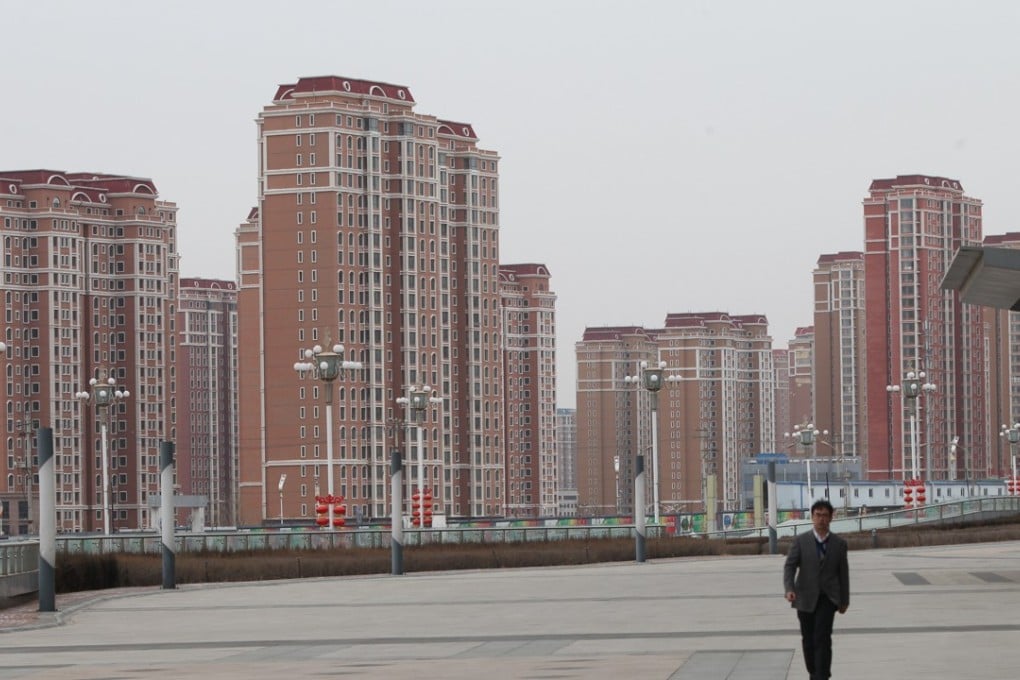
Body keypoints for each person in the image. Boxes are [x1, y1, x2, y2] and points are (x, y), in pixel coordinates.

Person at [783, 499, 850, 680]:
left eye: (825, 515)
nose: (821, 519)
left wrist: (844, 600)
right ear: (812, 516)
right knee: (808, 639)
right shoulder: (801, 541)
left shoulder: (839, 544)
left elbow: (843, 574)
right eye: (818, 515)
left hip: (828, 598)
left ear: (831, 518)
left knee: (823, 636)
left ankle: (821, 675)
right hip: (804, 597)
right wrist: (789, 588)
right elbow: (789, 566)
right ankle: (814, 671)